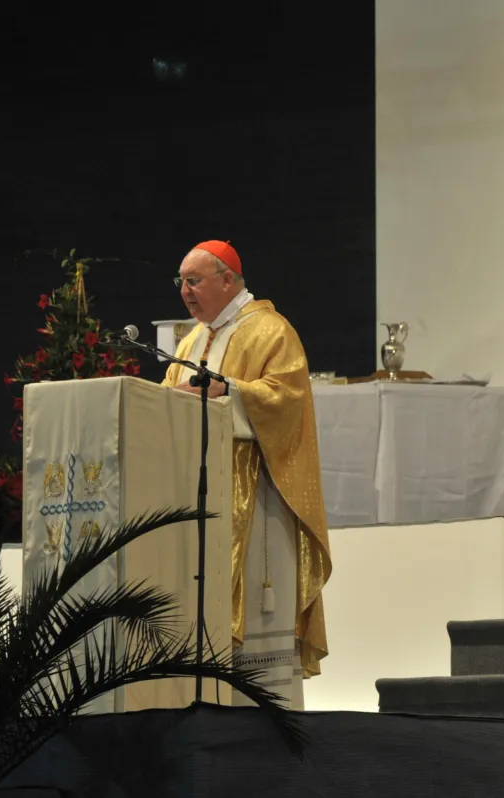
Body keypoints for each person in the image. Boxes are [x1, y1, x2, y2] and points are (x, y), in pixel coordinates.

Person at [163, 240, 330, 709]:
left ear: (227, 280)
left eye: (194, 281)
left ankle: (265, 714)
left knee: (258, 612)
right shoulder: (191, 342)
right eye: (181, 282)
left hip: (258, 498)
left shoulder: (271, 331)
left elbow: (287, 400)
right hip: (201, 495)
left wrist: (230, 391)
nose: (185, 291)